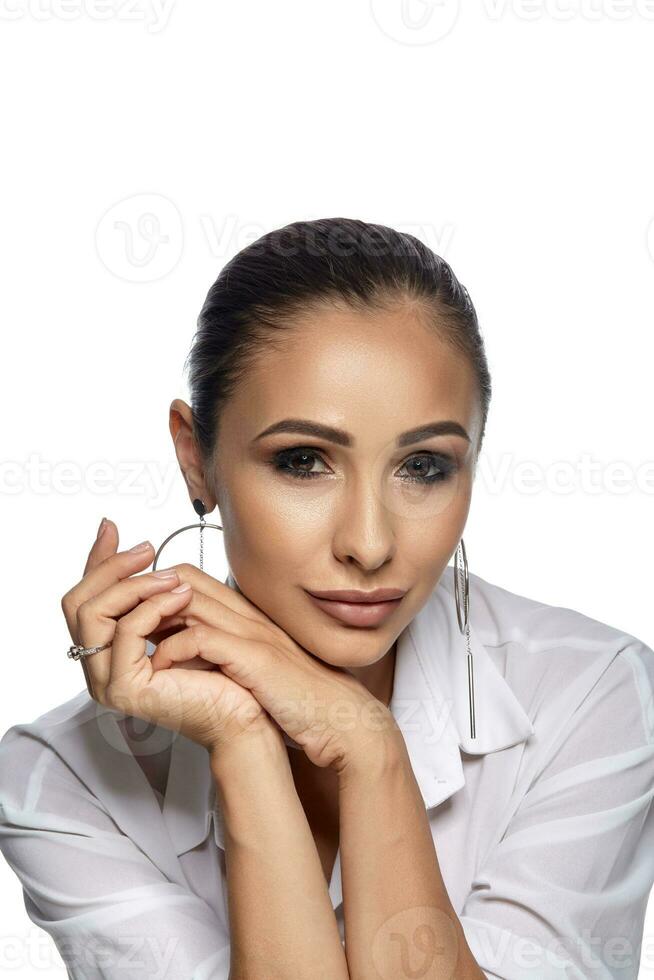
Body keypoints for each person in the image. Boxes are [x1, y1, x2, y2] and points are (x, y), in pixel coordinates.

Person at [0, 217, 652, 979]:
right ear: (195, 457)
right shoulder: (66, 778)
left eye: (424, 467)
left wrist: (369, 752)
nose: (370, 545)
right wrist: (243, 744)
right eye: (304, 460)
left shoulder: (595, 695)